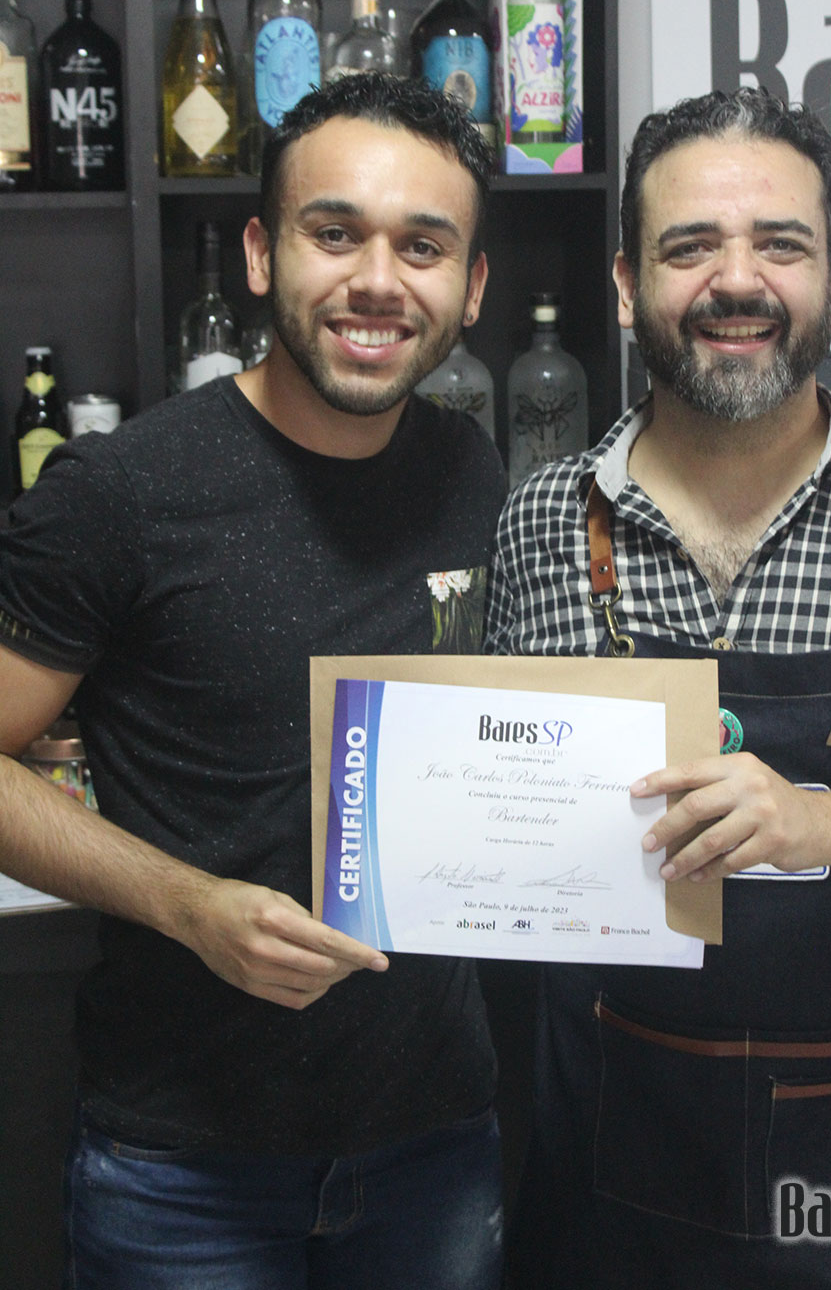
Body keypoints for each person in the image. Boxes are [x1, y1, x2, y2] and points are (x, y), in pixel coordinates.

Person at [485, 88, 831, 1288]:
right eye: (688, 247)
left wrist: (823, 824)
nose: (735, 281)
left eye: (779, 244)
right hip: (609, 1157)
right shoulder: (541, 522)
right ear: (626, 286)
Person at [0, 72, 508, 1289]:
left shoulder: (472, 472)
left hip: (437, 1141)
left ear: (472, 286)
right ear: (260, 254)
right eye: (335, 233)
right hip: (182, 1171)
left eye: (423, 246)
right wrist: (187, 905)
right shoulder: (119, 494)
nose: (378, 281)